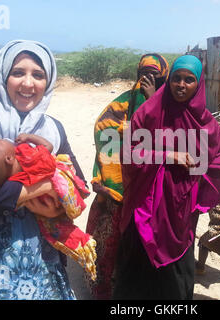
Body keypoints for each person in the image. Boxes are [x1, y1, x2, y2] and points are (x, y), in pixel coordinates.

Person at [0, 40, 87, 300]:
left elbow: (81, 185)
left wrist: (59, 200)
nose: (28, 83)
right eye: (18, 73)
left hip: (44, 260)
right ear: (2, 76)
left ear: (48, 83)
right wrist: (50, 185)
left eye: (38, 75)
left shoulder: (53, 128)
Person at [112, 55, 220, 300]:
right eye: (176, 78)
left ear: (199, 84)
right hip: (145, 205)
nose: (181, 85)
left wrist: (200, 186)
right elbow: (129, 153)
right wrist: (169, 156)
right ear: (168, 81)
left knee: (174, 276)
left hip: (180, 210)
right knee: (137, 272)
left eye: (189, 80)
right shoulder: (150, 112)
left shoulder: (206, 124)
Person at [85, 54, 169, 299]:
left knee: (143, 242)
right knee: (110, 240)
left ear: (163, 77)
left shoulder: (168, 104)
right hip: (119, 186)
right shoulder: (122, 103)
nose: (147, 79)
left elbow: (171, 136)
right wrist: (110, 175)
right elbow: (104, 128)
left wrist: (153, 102)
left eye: (154, 75)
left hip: (152, 186)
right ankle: (103, 289)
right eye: (144, 73)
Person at [0, 135, 97, 280]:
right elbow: (48, 147)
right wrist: (31, 138)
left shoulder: (11, 181)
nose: (2, 139)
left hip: (44, 209)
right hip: (55, 198)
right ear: (9, 159)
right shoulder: (28, 159)